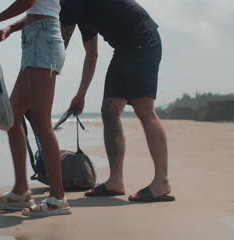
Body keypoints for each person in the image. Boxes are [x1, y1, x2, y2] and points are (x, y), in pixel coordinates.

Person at [59, 0, 175, 202]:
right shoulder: (78, 10)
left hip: (142, 39)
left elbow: (58, 48)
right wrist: (81, 95)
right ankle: (115, 180)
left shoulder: (70, 2)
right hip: (123, 48)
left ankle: (161, 182)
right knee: (110, 108)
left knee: (144, 109)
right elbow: (91, 55)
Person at [0, 0, 72, 215]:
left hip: (43, 40)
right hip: (35, 39)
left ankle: (58, 198)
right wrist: (11, 28)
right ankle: (21, 190)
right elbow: (37, 8)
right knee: (12, 117)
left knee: (42, 122)